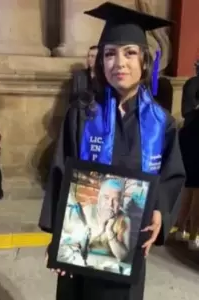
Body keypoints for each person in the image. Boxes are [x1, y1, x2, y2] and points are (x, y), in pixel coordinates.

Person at [38, 2, 185, 300]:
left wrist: (160, 210)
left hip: (126, 248)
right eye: (110, 54)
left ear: (144, 61)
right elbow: (59, 173)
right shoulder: (81, 114)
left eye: (130, 53)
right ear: (100, 63)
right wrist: (59, 239)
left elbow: (172, 175)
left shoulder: (161, 123)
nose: (119, 63)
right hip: (79, 246)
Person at [176, 60, 199, 249]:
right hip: (195, 147)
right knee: (196, 194)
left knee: (190, 191)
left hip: (190, 146)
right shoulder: (193, 83)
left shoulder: (191, 83)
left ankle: (181, 228)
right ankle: (192, 234)